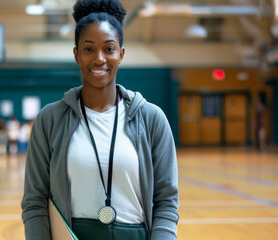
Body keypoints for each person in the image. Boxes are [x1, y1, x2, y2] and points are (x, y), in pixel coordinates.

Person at [21, 1, 179, 240]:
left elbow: (166, 202)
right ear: (76, 54)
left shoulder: (151, 119)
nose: (99, 59)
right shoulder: (49, 120)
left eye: (109, 48)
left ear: (121, 54)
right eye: (88, 49)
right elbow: (34, 202)